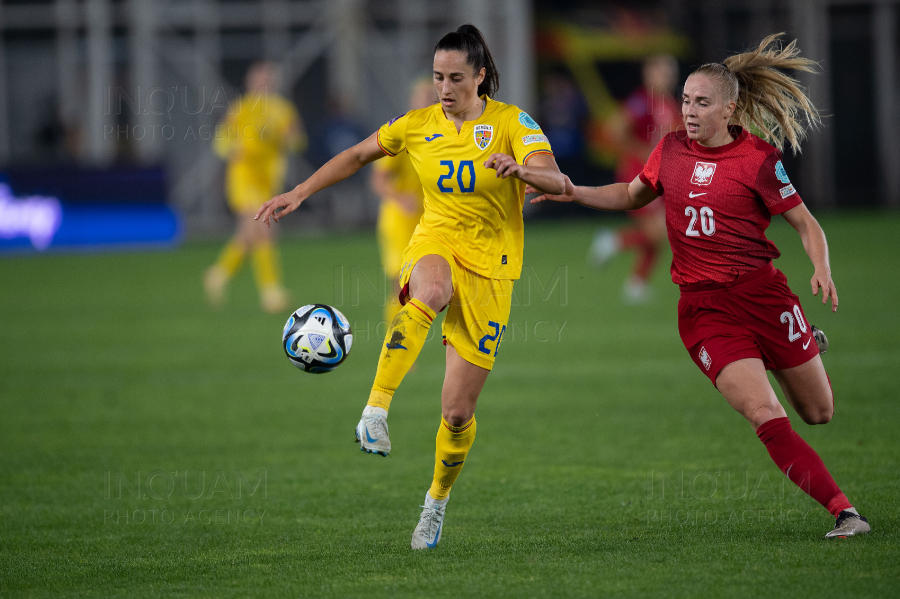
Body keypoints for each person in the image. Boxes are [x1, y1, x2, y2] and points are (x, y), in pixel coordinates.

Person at [530, 34, 869, 539]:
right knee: (764, 412)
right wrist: (573, 191)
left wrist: (821, 267)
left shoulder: (758, 159)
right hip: (705, 312)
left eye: (701, 102)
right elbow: (629, 193)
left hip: (765, 297)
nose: (688, 110)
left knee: (819, 413)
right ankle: (844, 512)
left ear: (730, 109)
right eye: (686, 100)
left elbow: (804, 222)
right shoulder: (668, 151)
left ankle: (790, 346)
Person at [256, 25, 565, 549]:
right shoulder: (416, 125)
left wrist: (524, 172)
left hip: (493, 267)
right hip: (435, 240)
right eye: (439, 76)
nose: (444, 87)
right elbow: (356, 157)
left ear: (481, 75)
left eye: (456, 78)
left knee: (457, 413)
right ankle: (375, 411)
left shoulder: (514, 122)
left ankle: (435, 503)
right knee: (431, 289)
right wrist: (300, 190)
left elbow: (557, 178)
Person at [204, 62, 306, 314]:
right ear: (250, 83)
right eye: (259, 80)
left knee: (249, 234)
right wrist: (233, 149)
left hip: (268, 180)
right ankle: (271, 292)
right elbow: (221, 141)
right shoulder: (241, 109)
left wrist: (290, 138)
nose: (264, 84)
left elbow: (298, 142)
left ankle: (218, 274)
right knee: (264, 228)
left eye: (268, 79)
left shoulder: (283, 110)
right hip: (243, 177)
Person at [589, 55, 682, 303]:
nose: (667, 76)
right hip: (637, 173)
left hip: (656, 175)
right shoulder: (643, 100)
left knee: (659, 231)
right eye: (662, 70)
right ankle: (612, 241)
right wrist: (640, 151)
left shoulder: (669, 105)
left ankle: (636, 285)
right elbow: (613, 128)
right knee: (659, 230)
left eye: (670, 71)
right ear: (648, 73)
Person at [369, 79, 436, 330]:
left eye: (433, 96)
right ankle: (395, 343)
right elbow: (377, 180)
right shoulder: (401, 134)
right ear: (413, 101)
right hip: (398, 219)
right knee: (400, 284)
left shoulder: (443, 136)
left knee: (429, 286)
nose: (430, 100)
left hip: (428, 220)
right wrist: (400, 199)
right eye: (425, 95)